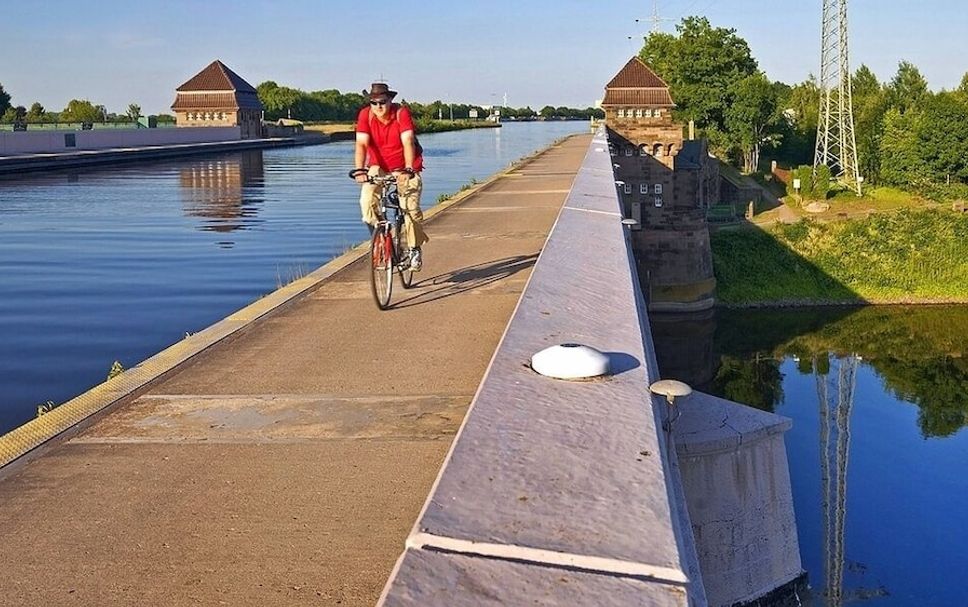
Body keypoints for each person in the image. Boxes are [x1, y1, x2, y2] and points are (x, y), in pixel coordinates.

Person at [352, 82, 428, 270]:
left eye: (382, 102)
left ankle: (414, 248)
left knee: (410, 208)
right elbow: (361, 144)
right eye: (374, 103)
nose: (378, 106)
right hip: (379, 166)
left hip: (405, 166)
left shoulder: (401, 113)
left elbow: (408, 140)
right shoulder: (365, 115)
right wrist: (360, 170)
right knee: (366, 201)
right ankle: (383, 236)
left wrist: (409, 168)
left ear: (390, 100)